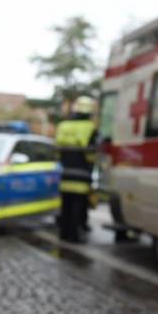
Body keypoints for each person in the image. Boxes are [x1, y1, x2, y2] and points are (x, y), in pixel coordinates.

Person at [55, 95, 98, 242]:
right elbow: (91, 154)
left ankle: (63, 234)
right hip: (82, 174)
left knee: (65, 205)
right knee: (78, 206)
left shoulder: (63, 126)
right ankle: (73, 235)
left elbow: (57, 150)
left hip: (64, 173)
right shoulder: (90, 128)